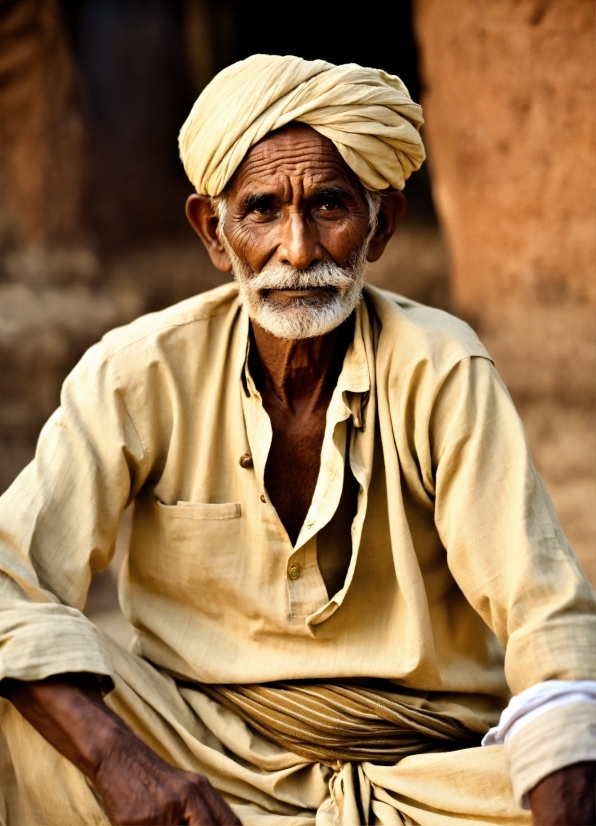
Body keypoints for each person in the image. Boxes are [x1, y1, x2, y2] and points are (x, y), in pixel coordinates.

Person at [0, 54, 594, 826]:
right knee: (25, 700)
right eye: (261, 211)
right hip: (202, 757)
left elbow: (546, 619)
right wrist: (123, 765)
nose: (300, 250)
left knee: (574, 746)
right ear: (213, 234)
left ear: (383, 225)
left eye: (330, 206)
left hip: (422, 773)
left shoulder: (440, 365)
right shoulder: (138, 371)